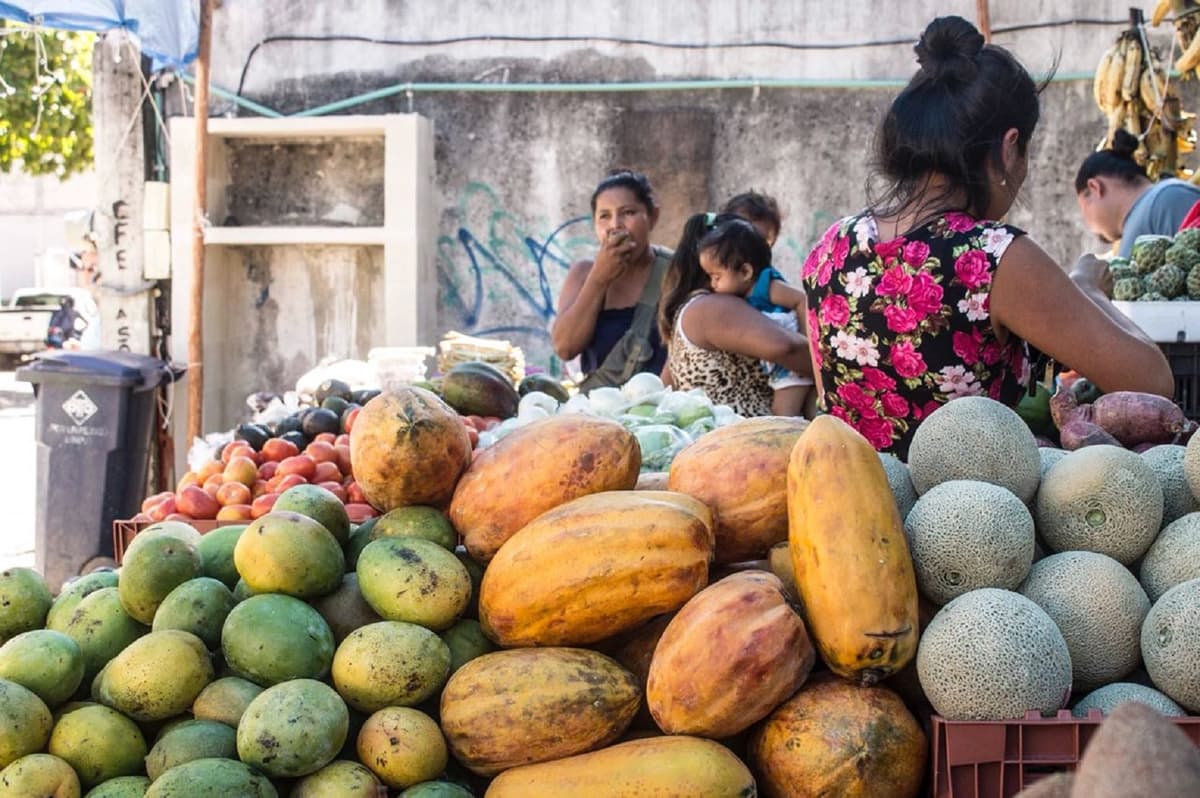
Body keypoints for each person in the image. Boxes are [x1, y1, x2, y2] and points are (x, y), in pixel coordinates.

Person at [802, 15, 1174, 458]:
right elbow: (1154, 385)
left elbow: (833, 400)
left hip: (853, 510)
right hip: (969, 520)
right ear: (1009, 145)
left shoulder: (831, 246)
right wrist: (1088, 288)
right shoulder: (992, 256)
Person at [659, 213, 814, 417]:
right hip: (745, 436)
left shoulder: (688, 309)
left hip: (719, 438)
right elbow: (787, 348)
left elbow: (665, 384)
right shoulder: (713, 307)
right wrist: (840, 368)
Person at [551, 170, 672, 391]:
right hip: (600, 411)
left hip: (661, 407)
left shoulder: (674, 270)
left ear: (652, 217)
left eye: (628, 212)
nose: (616, 225)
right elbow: (564, 348)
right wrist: (599, 279)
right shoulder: (583, 273)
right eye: (604, 216)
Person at [1076, 129, 1200, 258]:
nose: (1091, 228)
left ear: (1095, 187)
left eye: (1083, 209)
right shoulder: (1137, 224)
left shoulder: (1168, 197)